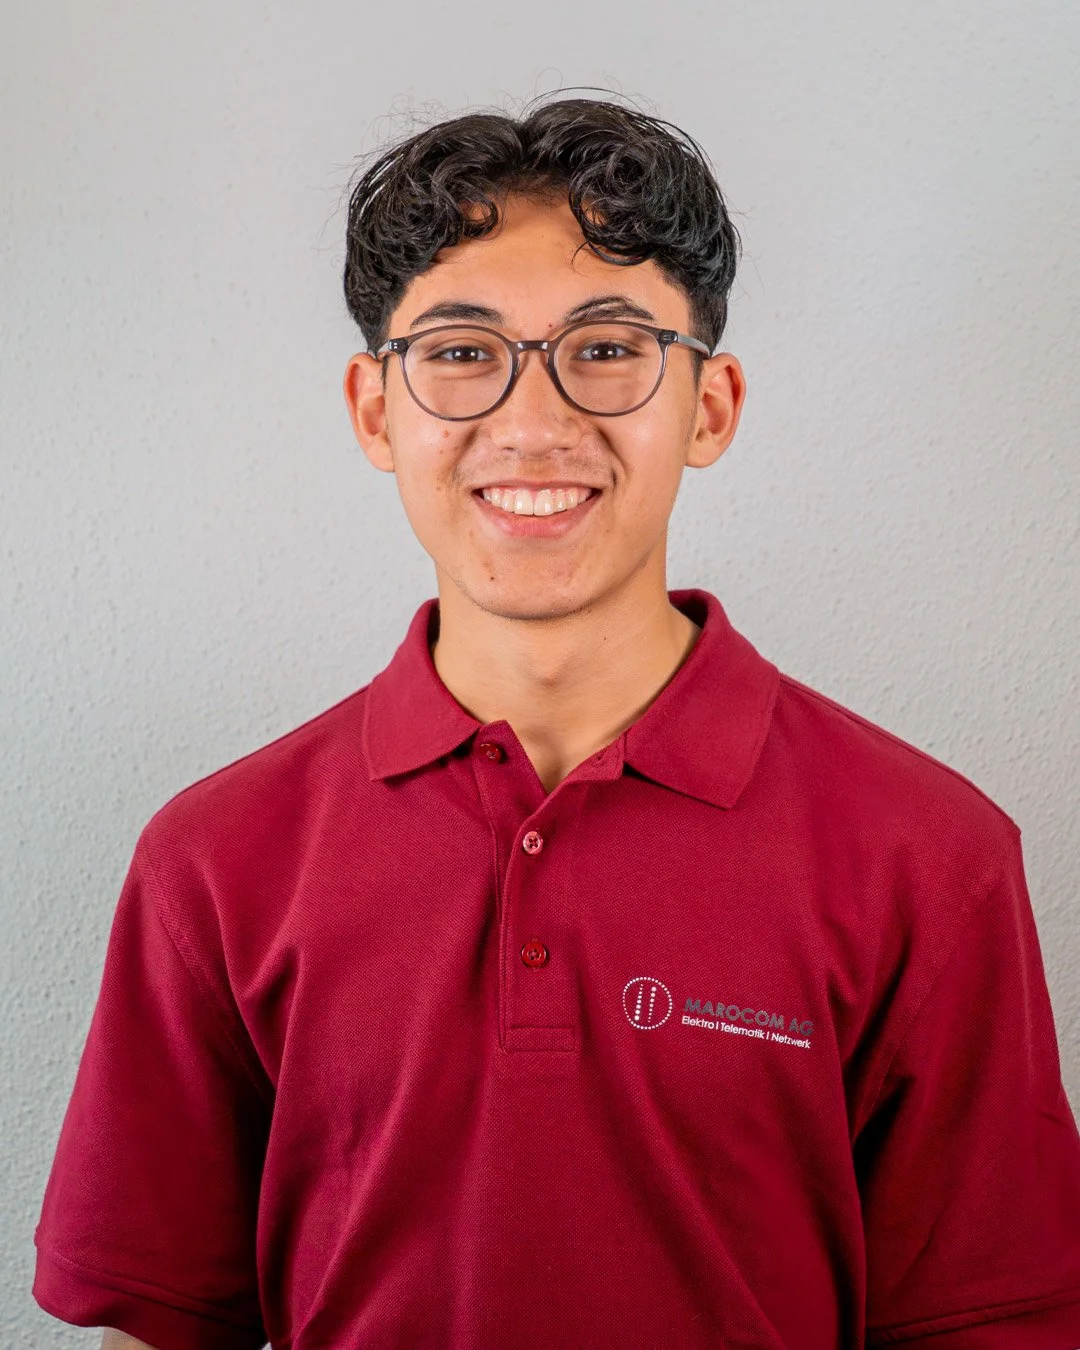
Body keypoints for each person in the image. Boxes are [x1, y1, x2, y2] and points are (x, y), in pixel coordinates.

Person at [32, 93, 1080, 1350]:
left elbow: (992, 1321)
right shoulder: (214, 858)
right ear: (377, 411)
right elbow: (159, 1321)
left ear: (711, 406)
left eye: (607, 347)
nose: (534, 423)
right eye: (464, 352)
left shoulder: (931, 854)